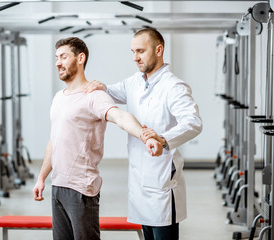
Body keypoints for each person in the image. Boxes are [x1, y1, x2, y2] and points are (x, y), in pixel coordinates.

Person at [32, 37, 162, 240]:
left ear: (80, 58)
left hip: (81, 189)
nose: (58, 62)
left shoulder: (94, 96)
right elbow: (54, 140)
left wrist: (145, 136)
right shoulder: (59, 97)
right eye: (56, 57)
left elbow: (120, 117)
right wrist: (41, 178)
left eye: (64, 57)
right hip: (57, 186)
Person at [84, 28, 203, 240]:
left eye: (140, 51)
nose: (135, 57)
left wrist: (163, 139)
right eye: (133, 51)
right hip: (140, 182)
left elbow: (193, 122)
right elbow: (112, 91)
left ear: (159, 50)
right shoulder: (135, 82)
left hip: (162, 180)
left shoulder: (173, 86)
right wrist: (100, 87)